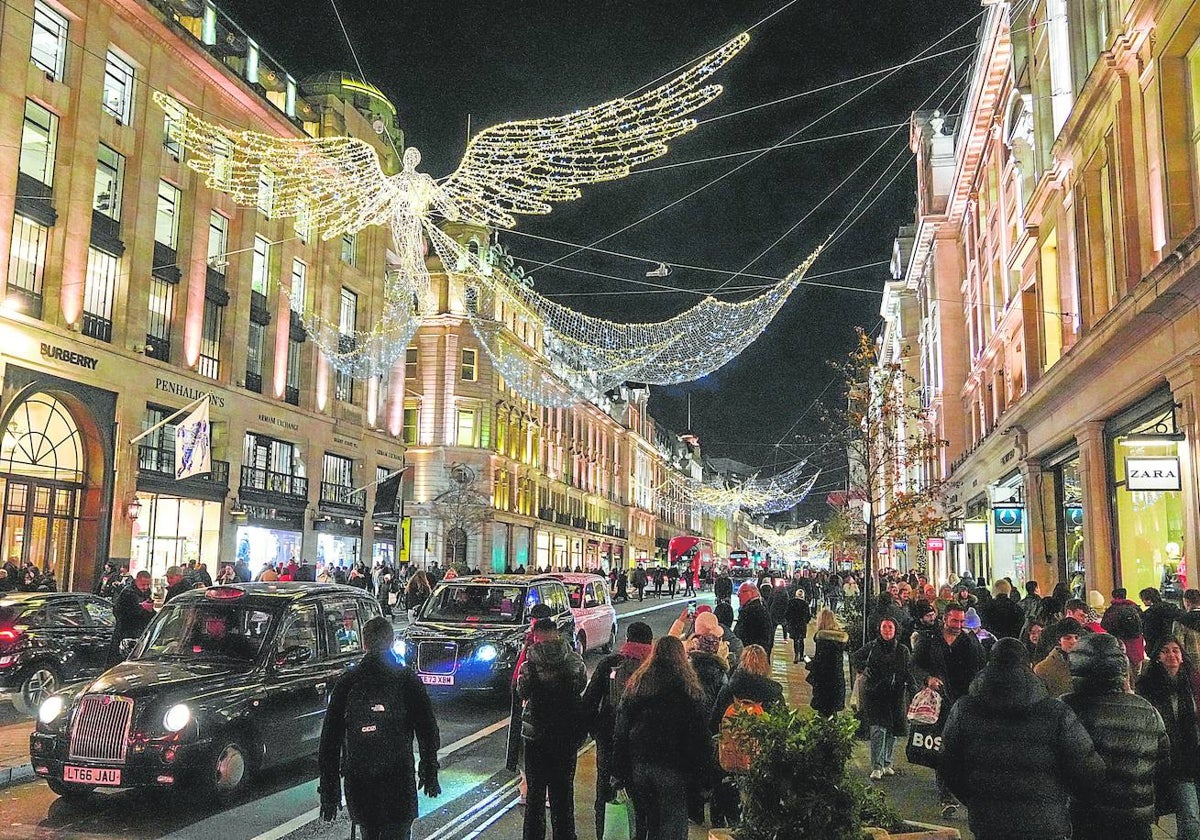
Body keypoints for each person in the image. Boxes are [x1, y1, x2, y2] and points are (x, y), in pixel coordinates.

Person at [938, 638, 1105, 840]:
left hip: (989, 822)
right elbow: (1089, 769)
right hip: (1045, 822)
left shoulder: (964, 709)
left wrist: (975, 799)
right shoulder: (1056, 713)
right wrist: (1060, 797)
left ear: (989, 665)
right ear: (1030, 667)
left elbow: (948, 766)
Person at [318, 616, 440, 840]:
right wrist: (429, 767)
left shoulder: (348, 681)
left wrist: (329, 789)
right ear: (391, 641)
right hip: (398, 777)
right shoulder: (406, 679)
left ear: (364, 643)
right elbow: (427, 728)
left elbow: (330, 739)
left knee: (369, 833)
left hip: (360, 780)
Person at [1062, 632, 1168, 840]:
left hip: (1083, 818)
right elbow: (1162, 766)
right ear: (1121, 667)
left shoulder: (1065, 708)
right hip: (1134, 819)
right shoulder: (1146, 710)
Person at [612, 636, 711, 840]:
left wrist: (618, 769)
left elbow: (621, 729)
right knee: (673, 825)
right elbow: (700, 735)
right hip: (674, 767)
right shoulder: (689, 688)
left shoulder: (638, 684)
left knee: (647, 823)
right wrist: (704, 776)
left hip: (641, 764)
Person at [911, 602, 985, 818]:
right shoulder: (929, 639)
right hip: (939, 703)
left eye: (961, 621)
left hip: (963, 702)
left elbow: (980, 669)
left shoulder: (970, 642)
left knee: (962, 749)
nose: (959, 625)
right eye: (955, 621)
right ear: (945, 619)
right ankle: (946, 795)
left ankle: (961, 790)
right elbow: (914, 665)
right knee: (942, 748)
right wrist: (928, 679)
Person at [517, 618, 587, 840]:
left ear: (536, 635)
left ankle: (533, 836)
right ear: (556, 634)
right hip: (566, 734)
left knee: (535, 795)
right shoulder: (575, 662)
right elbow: (581, 686)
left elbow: (522, 691)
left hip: (537, 734)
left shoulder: (529, 665)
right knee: (563, 793)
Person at [582, 622, 653, 840]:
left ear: (626, 639)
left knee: (605, 792)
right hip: (642, 742)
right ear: (650, 642)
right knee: (640, 797)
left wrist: (596, 730)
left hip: (609, 738)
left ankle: (605, 834)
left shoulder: (609, 664)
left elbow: (589, 703)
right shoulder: (653, 667)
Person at [709, 645, 784, 826]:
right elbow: (781, 729)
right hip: (759, 759)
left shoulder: (729, 689)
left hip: (729, 758)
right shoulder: (773, 694)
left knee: (725, 791)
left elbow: (713, 722)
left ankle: (724, 820)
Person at [1137, 637, 1200, 840]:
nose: (1171, 655)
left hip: (1195, 753)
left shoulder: (1192, 683)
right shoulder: (1148, 686)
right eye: (1165, 651)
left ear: (1182, 656)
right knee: (1190, 818)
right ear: (1157, 657)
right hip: (1174, 762)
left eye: (1175, 651)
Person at [851, 617, 914, 780]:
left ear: (896, 630)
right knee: (878, 729)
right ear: (879, 629)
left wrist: (912, 690)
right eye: (884, 627)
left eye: (890, 627)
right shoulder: (872, 646)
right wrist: (865, 668)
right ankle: (876, 766)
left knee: (892, 731)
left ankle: (887, 763)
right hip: (876, 694)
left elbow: (908, 670)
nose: (887, 631)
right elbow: (855, 657)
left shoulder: (902, 650)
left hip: (896, 695)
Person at [806, 608, 848, 717]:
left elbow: (821, 662)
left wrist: (809, 662)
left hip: (824, 683)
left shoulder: (822, 639)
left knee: (823, 715)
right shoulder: (840, 639)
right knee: (832, 714)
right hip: (837, 680)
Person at [108, 571, 155, 666]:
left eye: (148, 585)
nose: (145, 587)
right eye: (143, 584)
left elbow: (148, 616)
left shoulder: (146, 594)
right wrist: (141, 608)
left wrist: (150, 611)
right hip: (126, 633)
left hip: (140, 633)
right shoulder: (127, 593)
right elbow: (121, 614)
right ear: (136, 581)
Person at [1033, 617, 1083, 698]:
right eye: (1067, 638)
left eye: (1077, 637)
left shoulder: (1085, 666)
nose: (1073, 641)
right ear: (1059, 640)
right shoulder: (1043, 669)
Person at [734, 583, 774, 653]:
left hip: (751, 652)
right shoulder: (762, 606)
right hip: (761, 651)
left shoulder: (749, 610)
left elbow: (739, 633)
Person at [785, 589, 812, 663]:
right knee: (801, 640)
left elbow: (787, 614)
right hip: (802, 624)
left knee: (795, 640)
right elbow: (808, 616)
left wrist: (789, 621)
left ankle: (796, 655)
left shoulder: (791, 602)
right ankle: (802, 655)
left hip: (793, 624)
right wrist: (806, 621)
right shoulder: (805, 604)